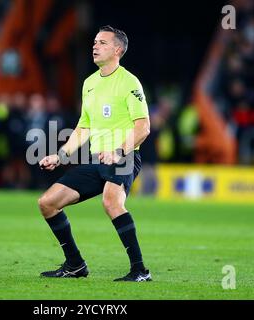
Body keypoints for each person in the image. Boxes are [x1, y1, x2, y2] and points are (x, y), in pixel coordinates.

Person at [38, 25, 151, 282]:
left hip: (124, 157)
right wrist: (60, 155)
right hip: (97, 160)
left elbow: (143, 127)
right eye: (94, 42)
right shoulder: (89, 83)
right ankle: (75, 265)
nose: (95, 46)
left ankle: (140, 271)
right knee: (47, 203)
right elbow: (83, 127)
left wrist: (118, 151)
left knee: (111, 202)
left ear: (117, 50)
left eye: (102, 42)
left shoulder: (129, 82)